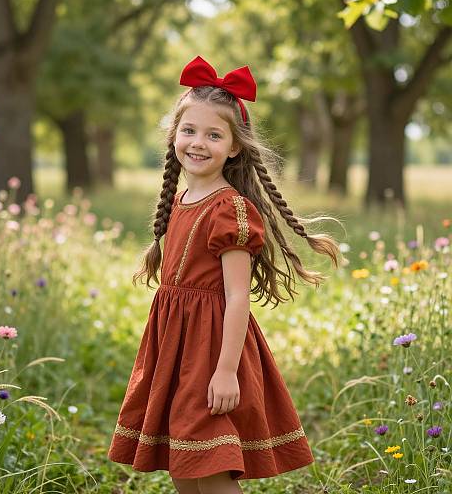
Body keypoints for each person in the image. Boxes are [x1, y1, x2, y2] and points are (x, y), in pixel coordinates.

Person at [107, 55, 341, 494]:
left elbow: (237, 297)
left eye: (214, 134)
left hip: (211, 351)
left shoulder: (230, 209)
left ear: (234, 147)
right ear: (174, 135)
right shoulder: (182, 199)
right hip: (174, 349)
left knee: (209, 466)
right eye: (189, 130)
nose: (198, 142)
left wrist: (226, 371)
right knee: (184, 461)